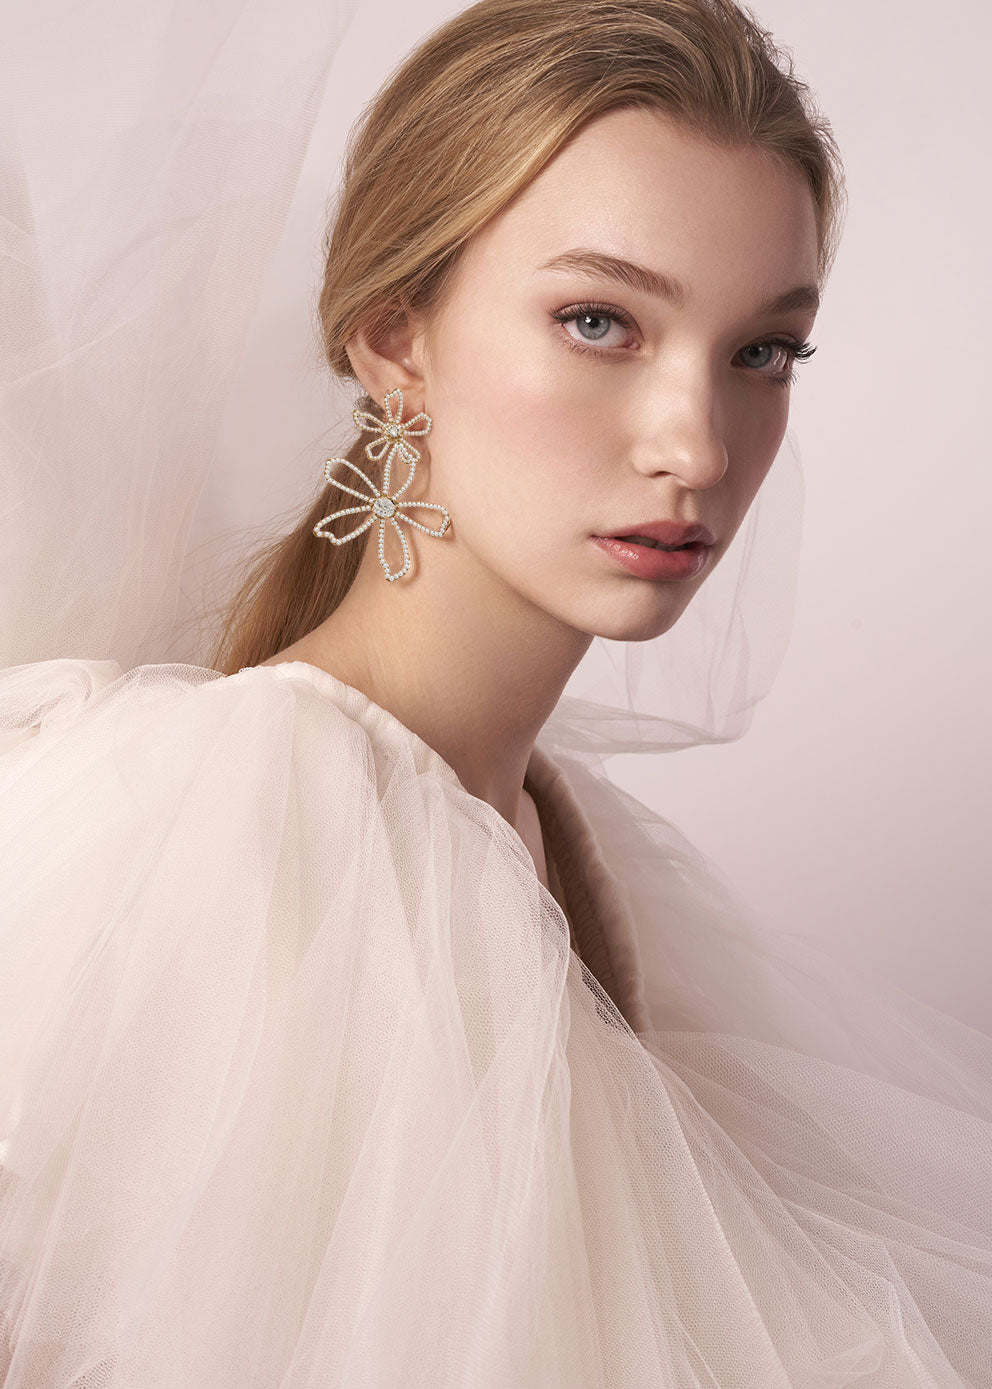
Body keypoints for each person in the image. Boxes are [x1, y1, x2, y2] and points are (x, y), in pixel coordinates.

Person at [1, 0, 989, 1384]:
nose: (695, 443)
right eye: (600, 321)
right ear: (394, 339)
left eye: (763, 350)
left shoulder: (566, 855)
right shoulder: (213, 819)